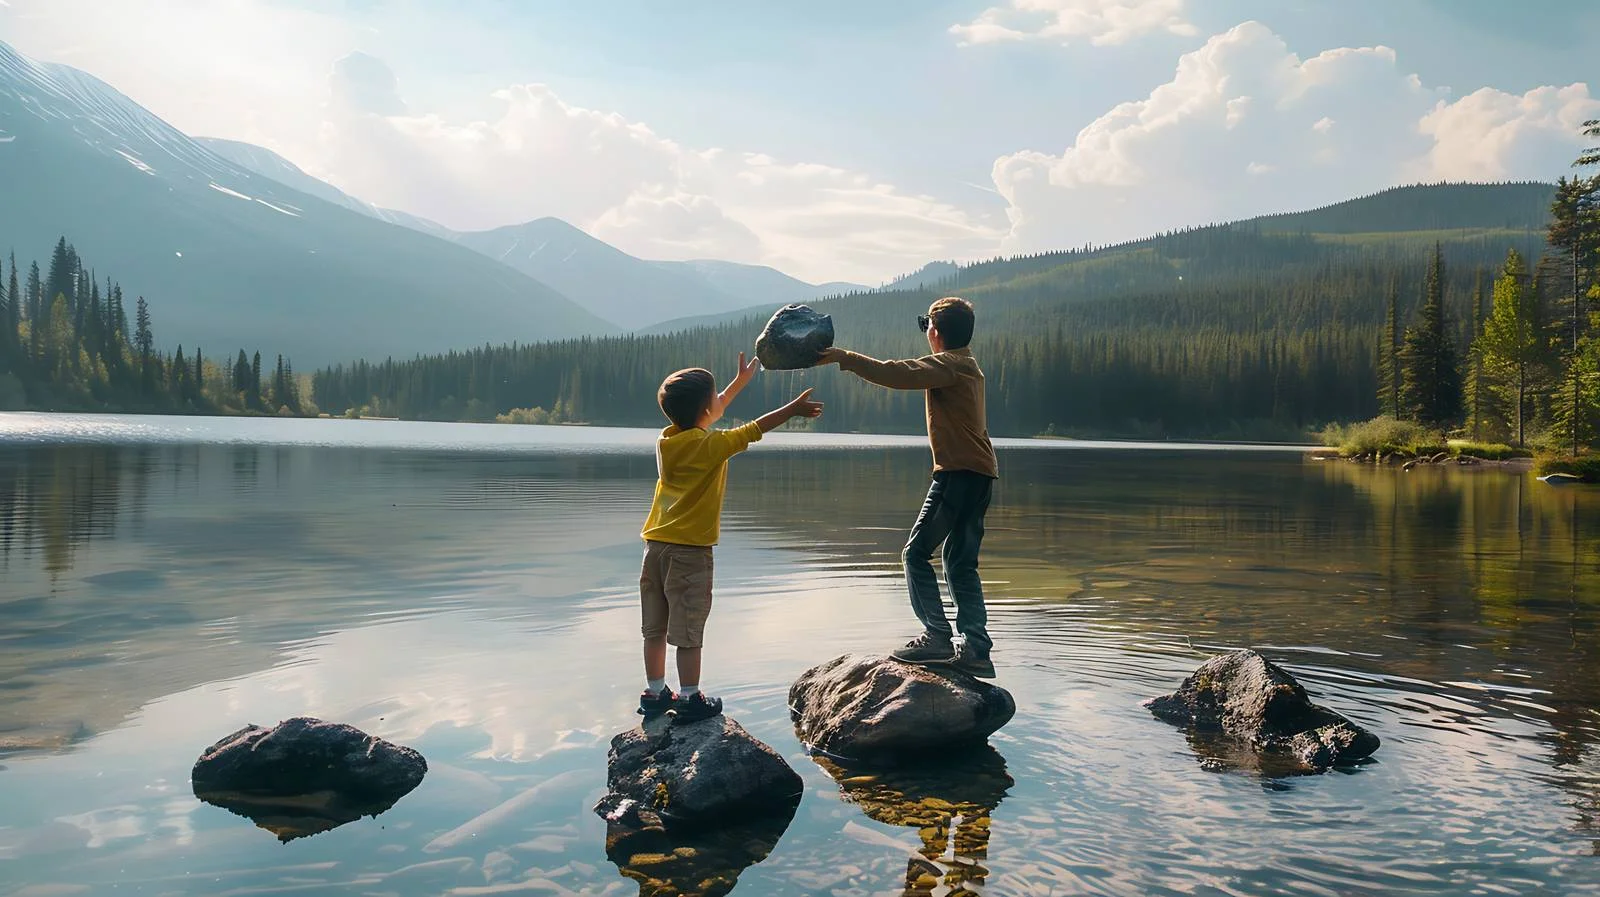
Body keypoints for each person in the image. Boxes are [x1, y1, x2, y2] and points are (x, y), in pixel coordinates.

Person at [638, 352, 825, 722]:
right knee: (689, 630)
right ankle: (691, 698)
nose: (719, 402)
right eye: (715, 399)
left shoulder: (666, 441)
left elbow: (712, 409)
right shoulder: (711, 446)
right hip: (690, 552)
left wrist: (740, 381)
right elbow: (756, 428)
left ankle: (655, 693)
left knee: (655, 628)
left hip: (655, 547)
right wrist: (793, 409)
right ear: (705, 411)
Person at [819, 297, 999, 678]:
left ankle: (937, 636)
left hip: (957, 473)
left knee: (915, 554)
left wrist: (844, 357)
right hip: (981, 474)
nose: (925, 333)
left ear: (935, 331)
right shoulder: (967, 365)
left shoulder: (950, 364)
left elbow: (896, 374)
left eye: (925, 325)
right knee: (959, 563)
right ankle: (976, 649)